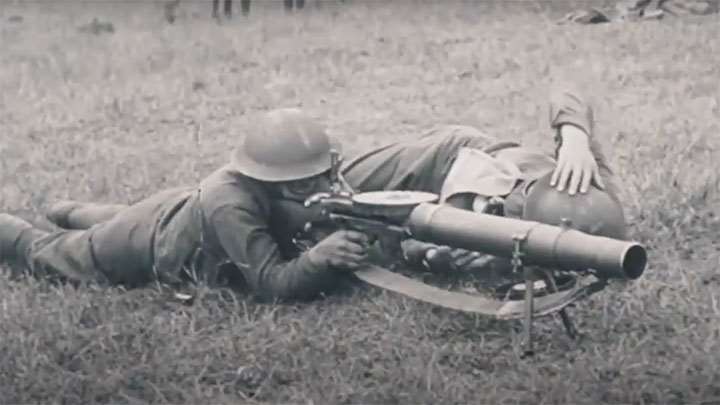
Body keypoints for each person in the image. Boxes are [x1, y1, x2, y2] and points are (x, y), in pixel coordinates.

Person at [0, 85, 627, 301]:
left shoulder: (310, 183)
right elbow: (273, 283)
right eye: (310, 184)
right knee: (54, 252)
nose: (331, 187)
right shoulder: (231, 199)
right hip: (165, 247)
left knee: (118, 214)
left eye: (326, 176)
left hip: (188, 213)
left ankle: (74, 207)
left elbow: (371, 229)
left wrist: (573, 134)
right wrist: (320, 261)